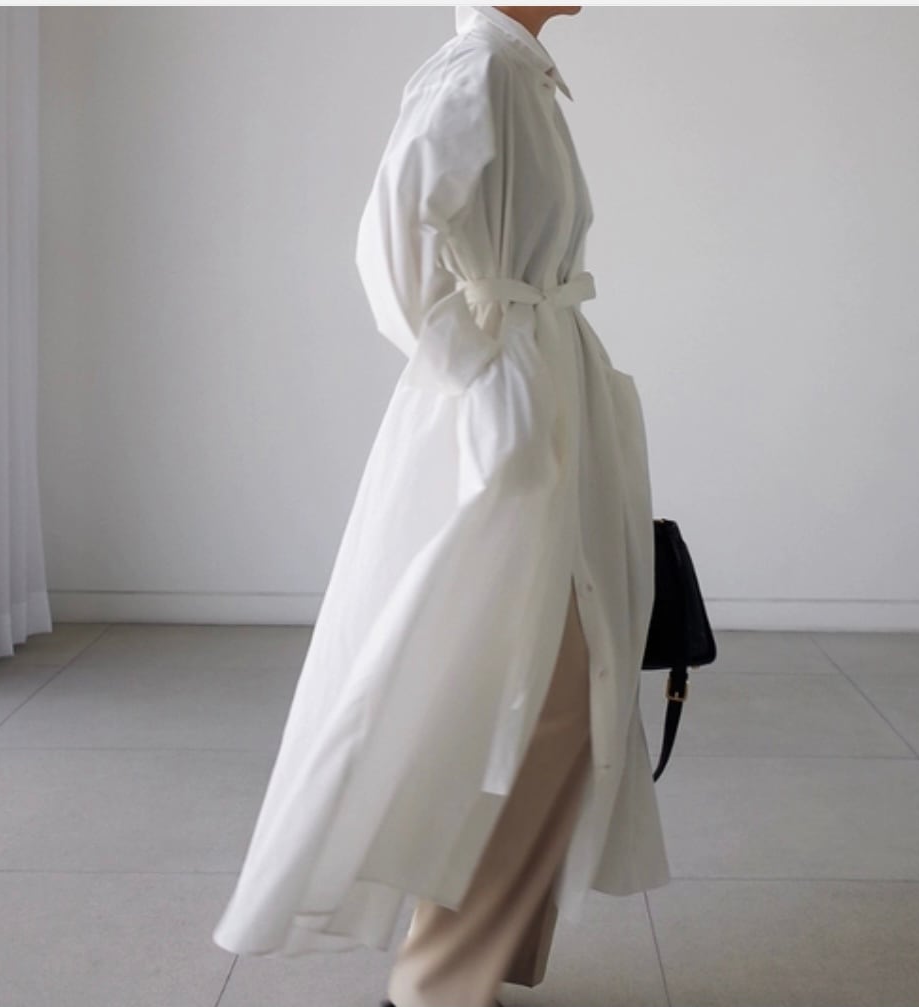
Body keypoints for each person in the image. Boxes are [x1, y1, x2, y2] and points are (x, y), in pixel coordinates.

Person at [212, 7, 671, 1007]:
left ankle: (465, 963)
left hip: (547, 396)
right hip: (510, 422)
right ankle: (436, 981)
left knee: (554, 691)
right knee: (515, 690)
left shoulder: (520, 74)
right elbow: (391, 245)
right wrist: (487, 380)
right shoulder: (476, 71)